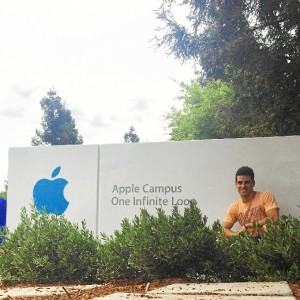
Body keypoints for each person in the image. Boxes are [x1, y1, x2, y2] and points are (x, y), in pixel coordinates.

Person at [222, 166, 279, 239]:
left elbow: (274, 218)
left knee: (267, 227)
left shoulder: (265, 196)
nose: (243, 186)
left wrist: (249, 225)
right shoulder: (234, 206)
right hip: (248, 242)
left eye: (247, 182)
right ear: (236, 185)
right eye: (240, 183)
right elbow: (224, 229)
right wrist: (238, 235)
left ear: (253, 183)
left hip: (266, 240)